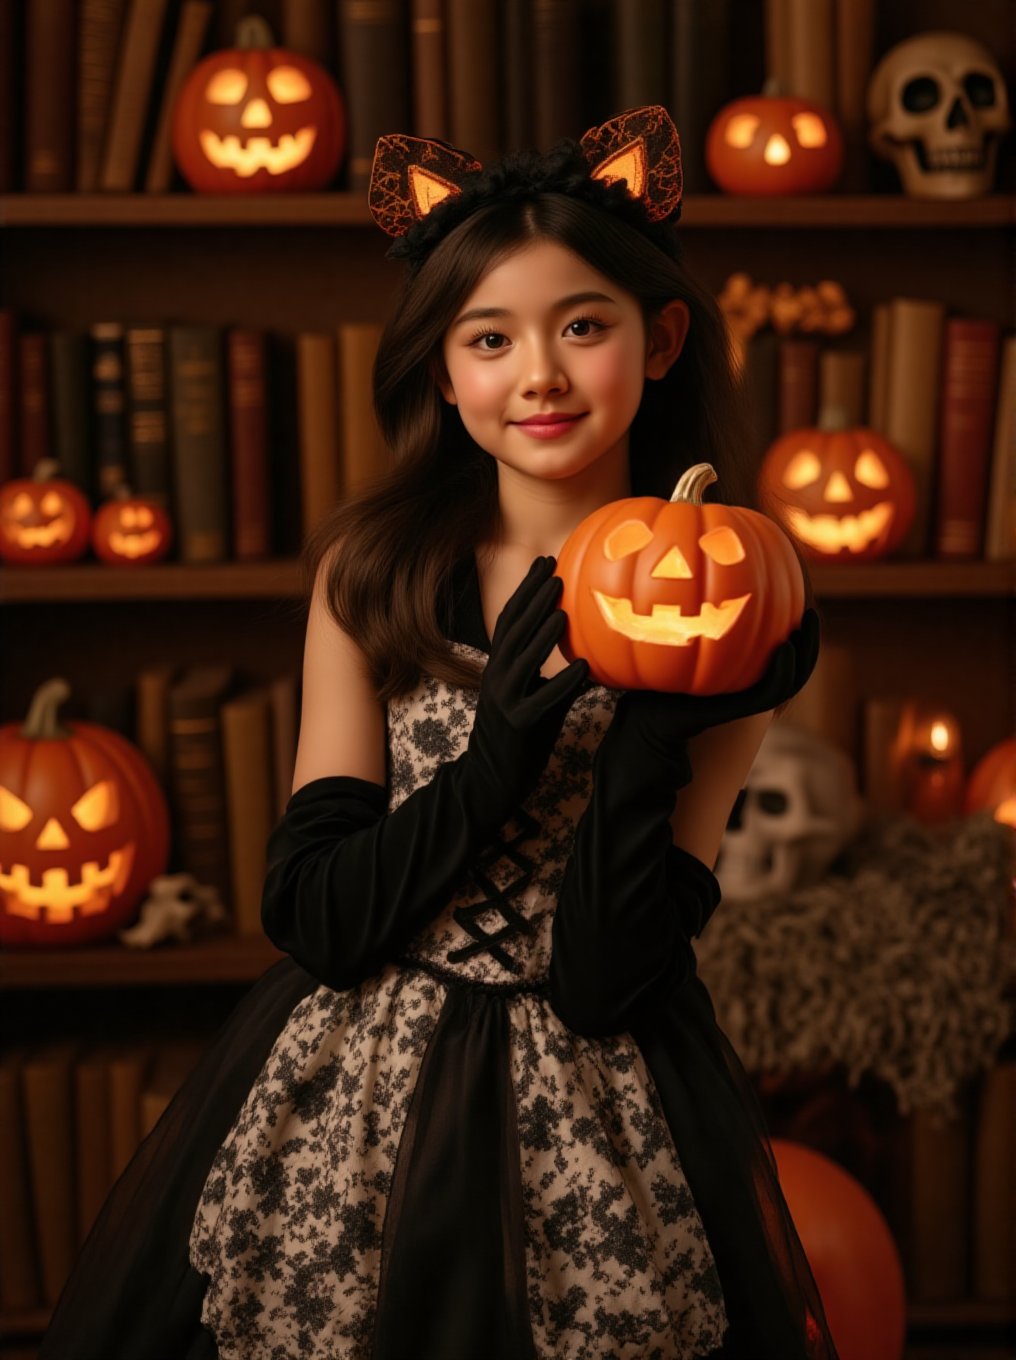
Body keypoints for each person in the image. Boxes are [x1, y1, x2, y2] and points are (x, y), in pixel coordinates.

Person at [41, 105, 837, 1360]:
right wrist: (495, 762)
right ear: (440, 366)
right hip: (351, 1091)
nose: (540, 374)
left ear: (661, 337)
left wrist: (647, 736)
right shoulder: (373, 575)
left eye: (583, 325)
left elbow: (598, 977)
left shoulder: (735, 607)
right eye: (489, 337)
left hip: (608, 1100)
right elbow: (318, 917)